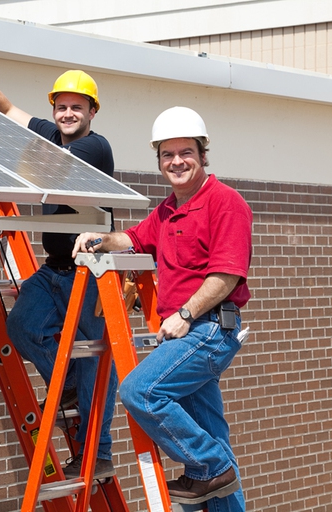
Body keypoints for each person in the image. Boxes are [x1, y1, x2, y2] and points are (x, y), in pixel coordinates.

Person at [0, 64, 118, 480]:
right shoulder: (50, 135)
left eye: (77, 107)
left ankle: (98, 455)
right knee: (22, 325)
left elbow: (51, 170)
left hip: (90, 273)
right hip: (54, 270)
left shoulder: (95, 147)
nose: (68, 113)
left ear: (92, 112)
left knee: (94, 364)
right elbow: (6, 109)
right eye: (61, 106)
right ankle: (66, 383)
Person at [72, 106, 251, 510]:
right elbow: (135, 239)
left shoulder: (226, 203)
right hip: (188, 335)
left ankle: (210, 465)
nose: (177, 162)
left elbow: (226, 276)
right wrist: (100, 238)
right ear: (159, 161)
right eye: (167, 155)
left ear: (203, 155)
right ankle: (214, 469)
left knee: (140, 390)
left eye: (186, 152)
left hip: (207, 330)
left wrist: (185, 315)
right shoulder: (168, 209)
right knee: (212, 438)